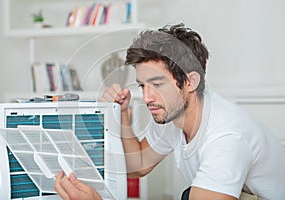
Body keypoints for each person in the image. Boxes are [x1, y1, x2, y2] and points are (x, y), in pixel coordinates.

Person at [54, 23, 285, 200]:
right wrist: (121, 114)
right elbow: (138, 166)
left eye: (157, 84)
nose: (146, 98)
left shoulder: (226, 138)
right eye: (143, 85)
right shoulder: (175, 113)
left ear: (190, 82)